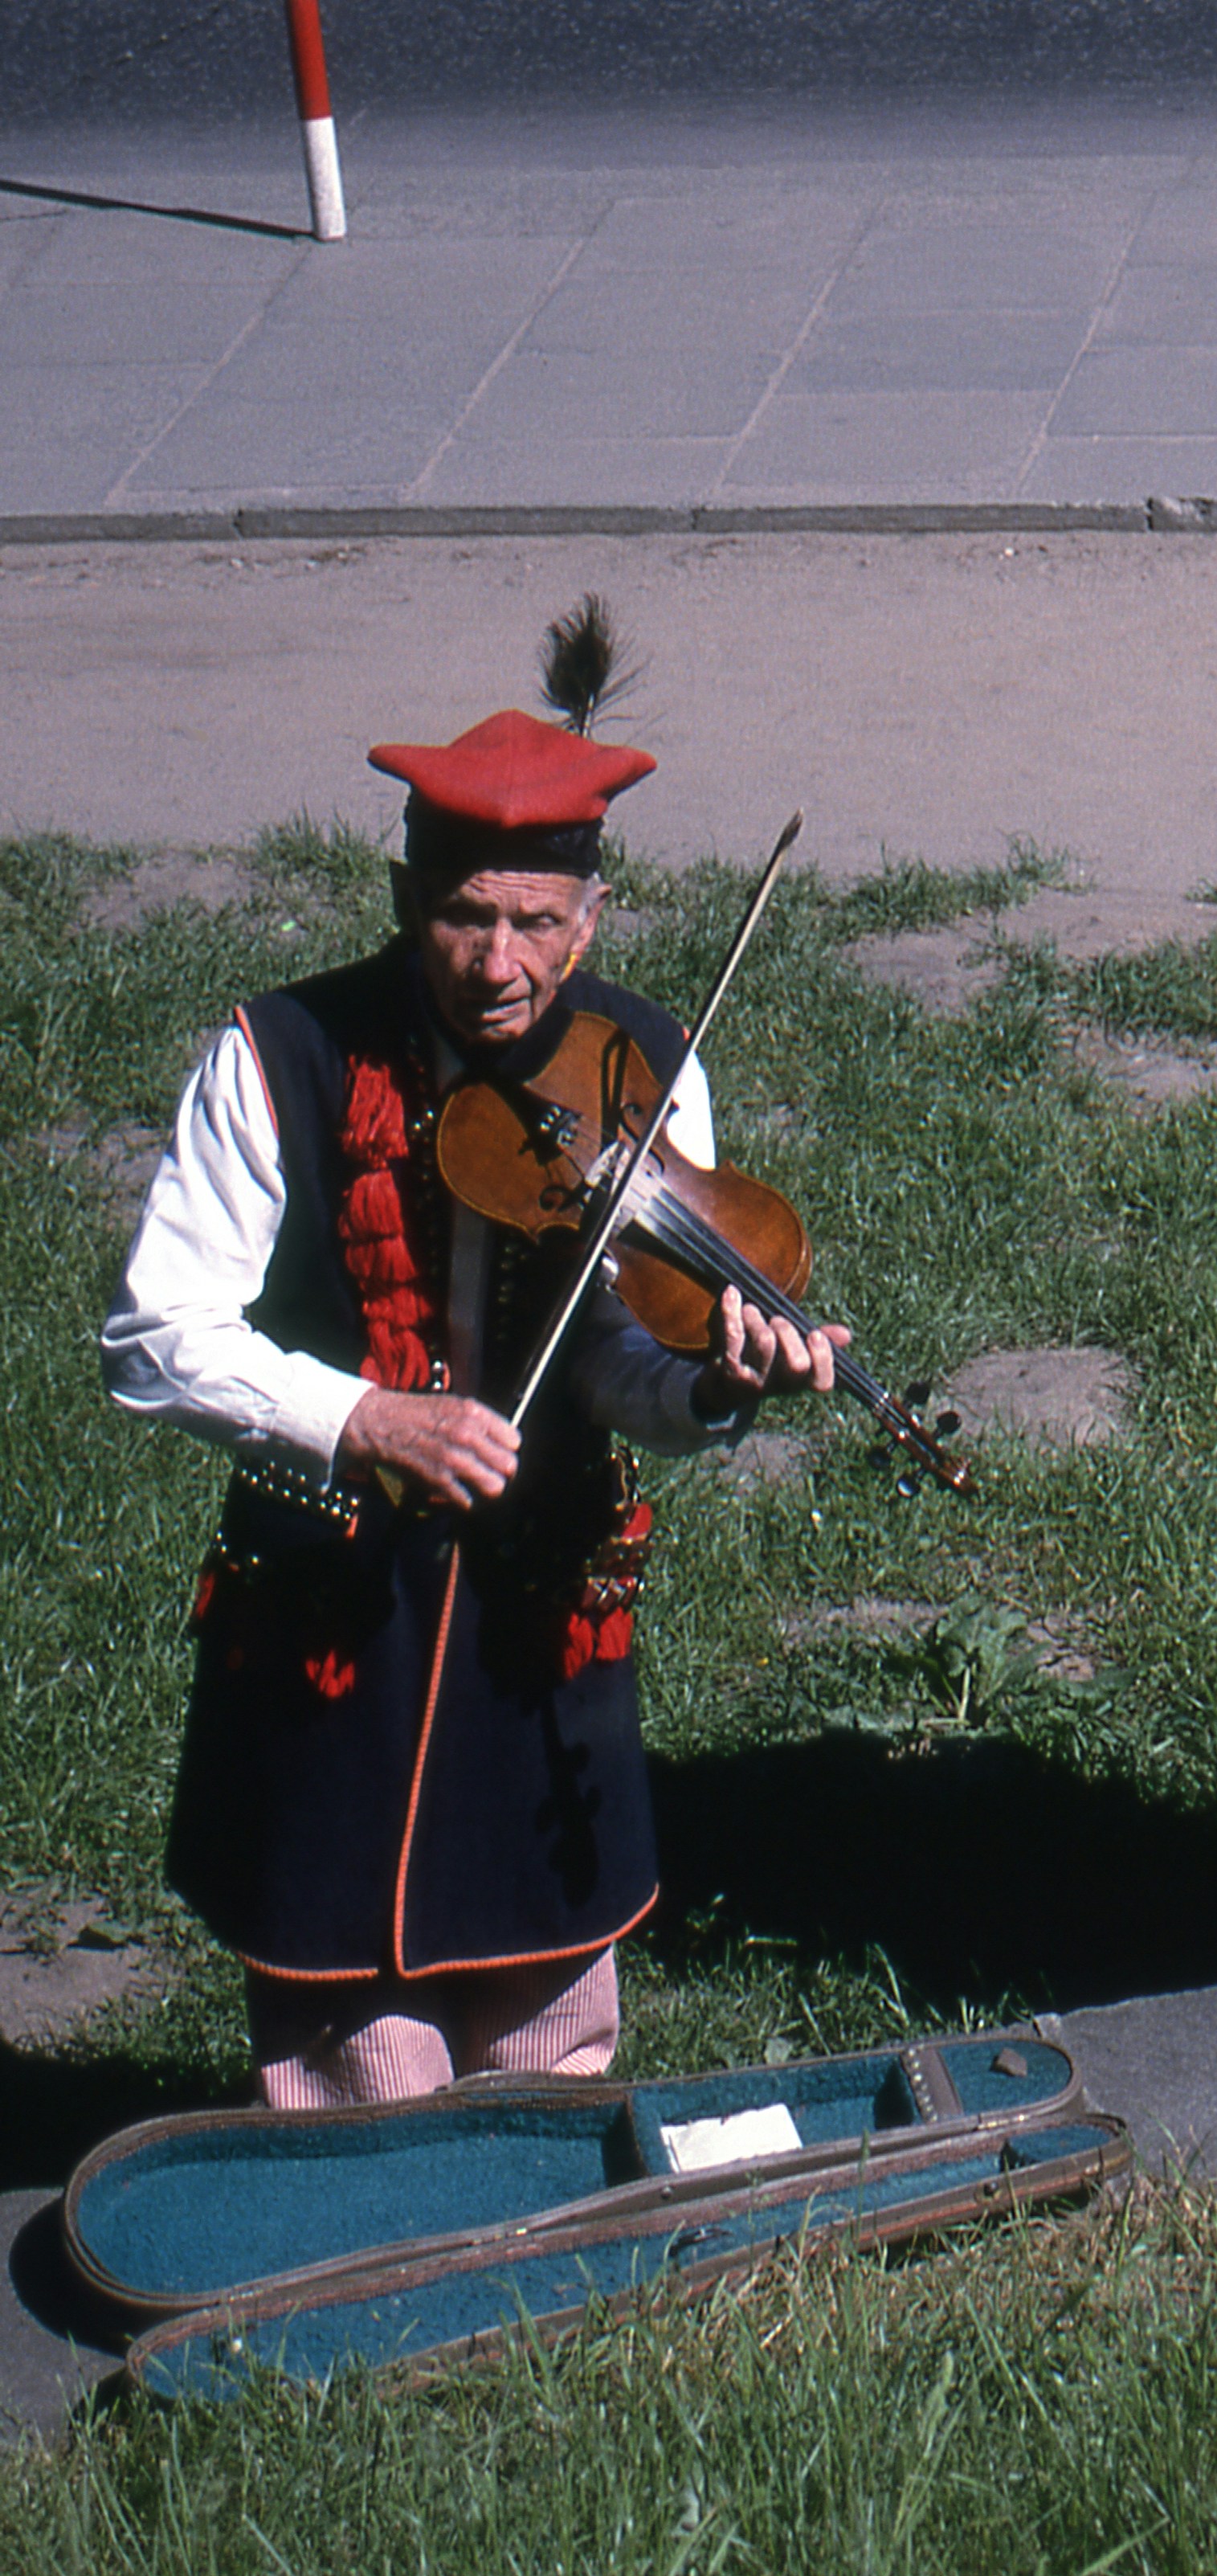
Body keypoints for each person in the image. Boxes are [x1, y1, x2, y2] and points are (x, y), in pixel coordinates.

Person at [103, 705, 843, 2105]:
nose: (500, 966)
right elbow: (154, 1331)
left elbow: (623, 1365)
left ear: (591, 921)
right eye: (460, 918)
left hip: (540, 1584)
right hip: (335, 1582)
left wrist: (715, 1384)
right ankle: (361, 2200)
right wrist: (358, 1419)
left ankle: (548, 2203)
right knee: (349, 1983)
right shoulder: (283, 1054)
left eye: (537, 924)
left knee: (543, 1964)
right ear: (401, 900)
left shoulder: (640, 1071)